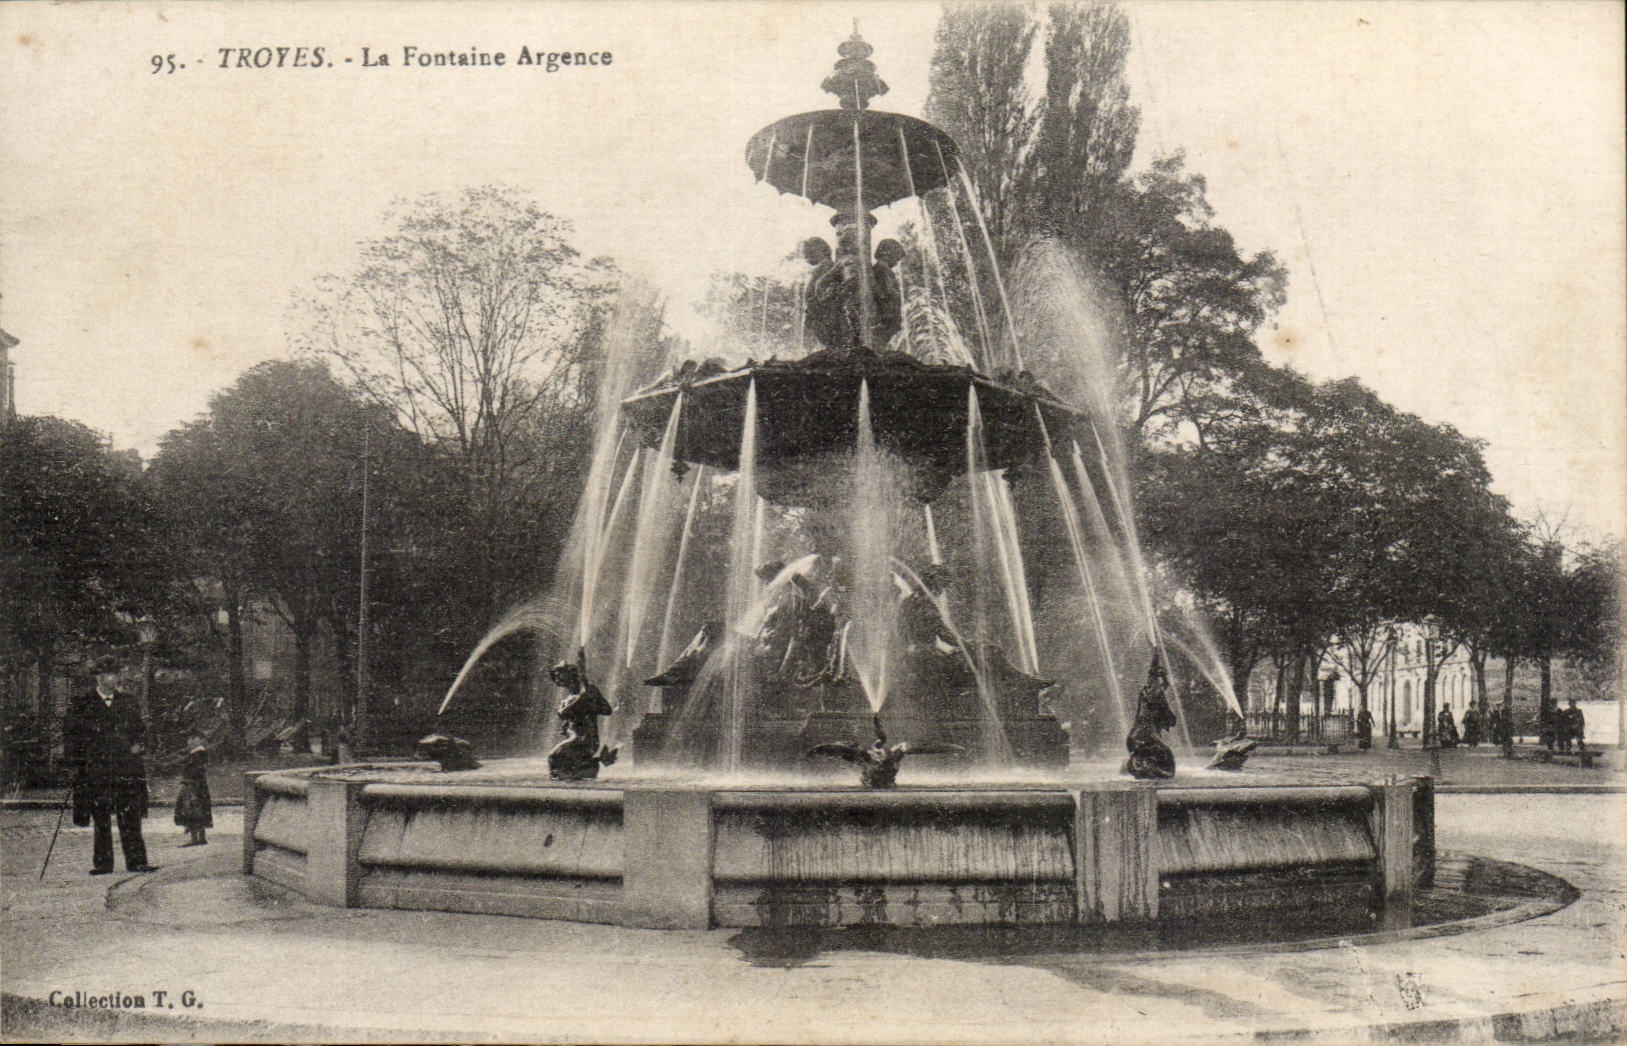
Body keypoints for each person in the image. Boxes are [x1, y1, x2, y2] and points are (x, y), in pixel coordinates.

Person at [64, 655, 157, 875]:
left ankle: (137, 862)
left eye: (114, 674)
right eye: (106, 674)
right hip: (97, 770)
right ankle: (103, 864)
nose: (111, 679)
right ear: (97, 677)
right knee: (101, 816)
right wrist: (76, 765)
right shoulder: (82, 703)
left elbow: (141, 731)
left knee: (130, 814)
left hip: (126, 769)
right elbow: (72, 736)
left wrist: (139, 746)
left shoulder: (128, 701)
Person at [173, 736, 212, 846]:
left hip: (194, 785)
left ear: (198, 740)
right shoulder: (197, 754)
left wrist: (188, 778)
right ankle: (200, 837)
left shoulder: (198, 754)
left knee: (192, 808)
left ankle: (196, 838)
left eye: (191, 740)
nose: (188, 742)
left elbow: (197, 770)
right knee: (196, 809)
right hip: (196, 784)